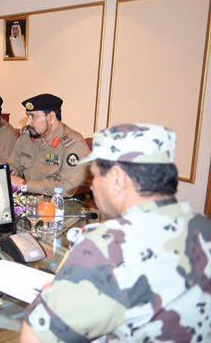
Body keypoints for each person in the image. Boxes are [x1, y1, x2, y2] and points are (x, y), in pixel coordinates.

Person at [21, 124, 211, 342]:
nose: (92, 186)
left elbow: (34, 336)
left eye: (94, 176)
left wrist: (50, 295)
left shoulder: (109, 247)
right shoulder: (203, 226)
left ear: (117, 179)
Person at [9, 94, 90, 197]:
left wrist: (24, 185)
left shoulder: (73, 143)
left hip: (61, 202)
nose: (28, 122)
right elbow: (13, 165)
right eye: (28, 116)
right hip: (29, 198)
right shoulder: (27, 136)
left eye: (33, 116)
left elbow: (68, 188)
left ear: (51, 117)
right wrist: (12, 173)